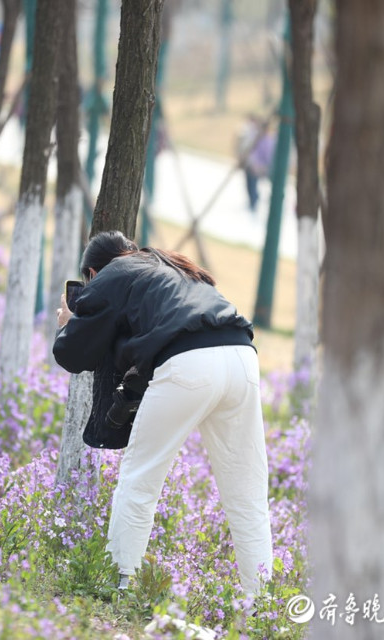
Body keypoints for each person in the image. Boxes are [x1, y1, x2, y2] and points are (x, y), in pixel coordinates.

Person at [52, 231, 273, 595]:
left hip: (189, 364)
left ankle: (120, 584)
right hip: (242, 358)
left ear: (92, 273)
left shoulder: (110, 275)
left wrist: (67, 323)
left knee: (140, 480)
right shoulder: (168, 265)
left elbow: (74, 355)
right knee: (247, 496)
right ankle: (263, 604)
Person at [238, 115, 275, 213]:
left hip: (262, 168)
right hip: (252, 166)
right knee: (249, 179)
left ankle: (254, 200)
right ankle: (252, 199)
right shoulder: (254, 137)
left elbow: (268, 157)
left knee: (253, 180)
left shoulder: (268, 140)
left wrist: (261, 166)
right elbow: (250, 152)